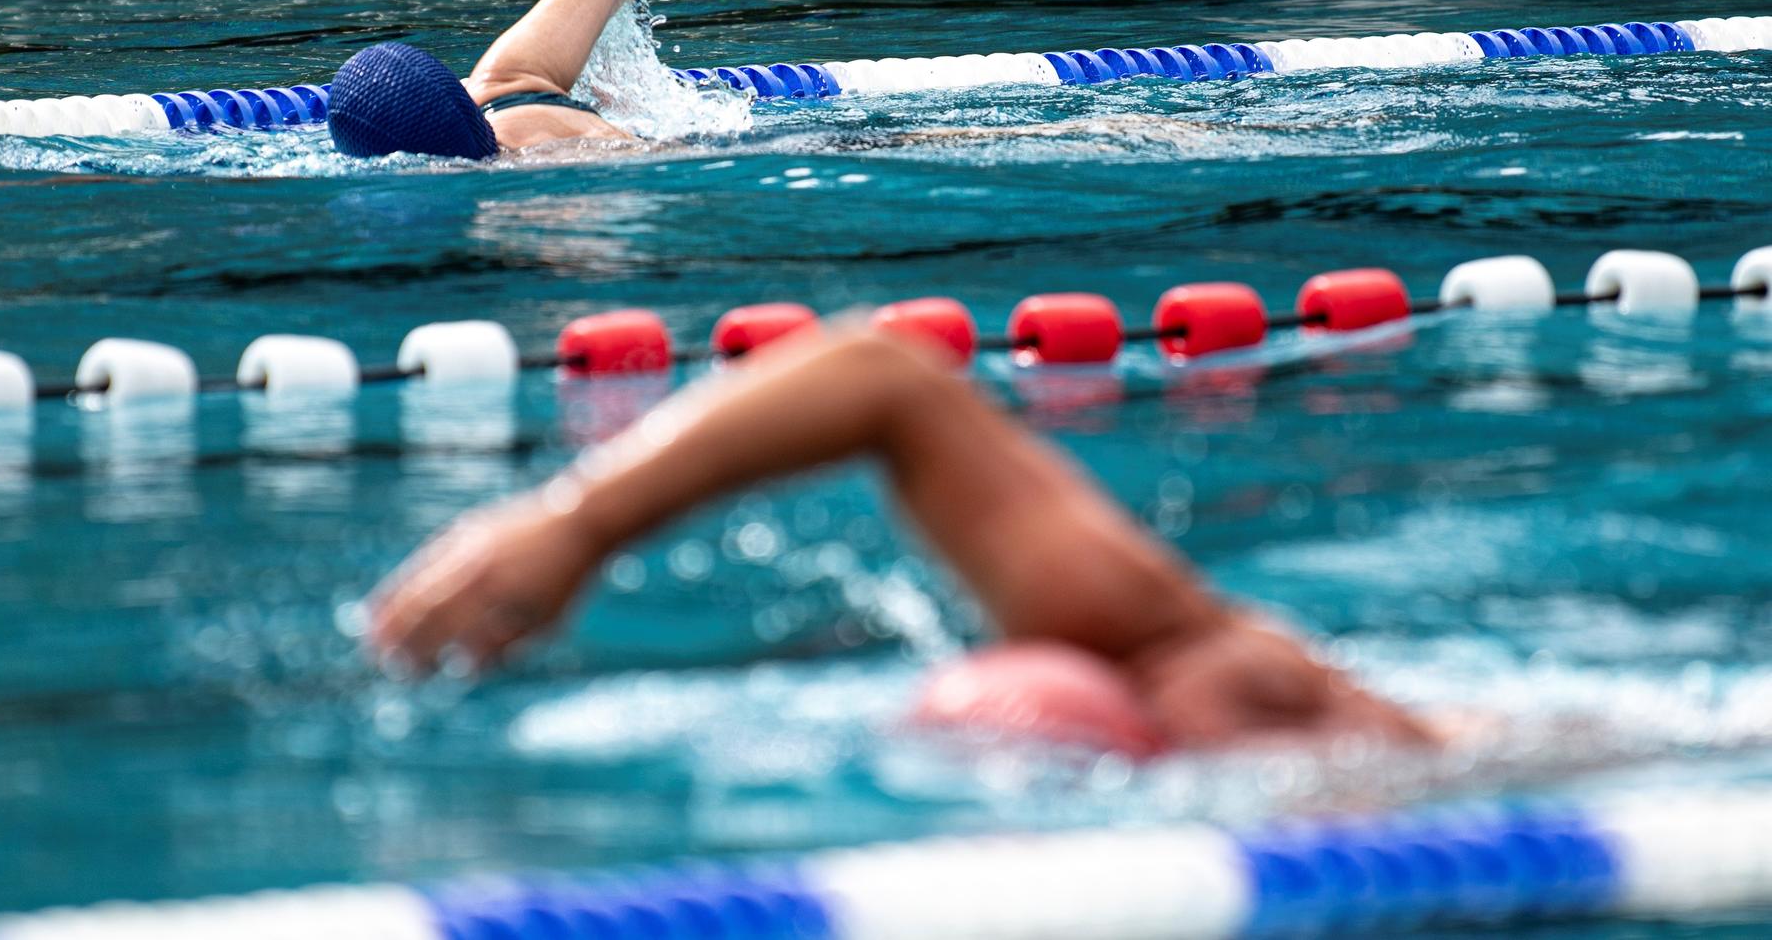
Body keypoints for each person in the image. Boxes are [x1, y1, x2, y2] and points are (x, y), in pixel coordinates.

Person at [366, 323, 1435, 759]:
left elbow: (888, 377)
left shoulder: (1199, 674)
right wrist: (575, 520)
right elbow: (887, 375)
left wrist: (580, 521)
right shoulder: (1148, 647)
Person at [327, 0, 641, 161]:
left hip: (515, 87)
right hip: (503, 92)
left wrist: (614, 96)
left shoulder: (575, 159)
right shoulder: (556, 151)